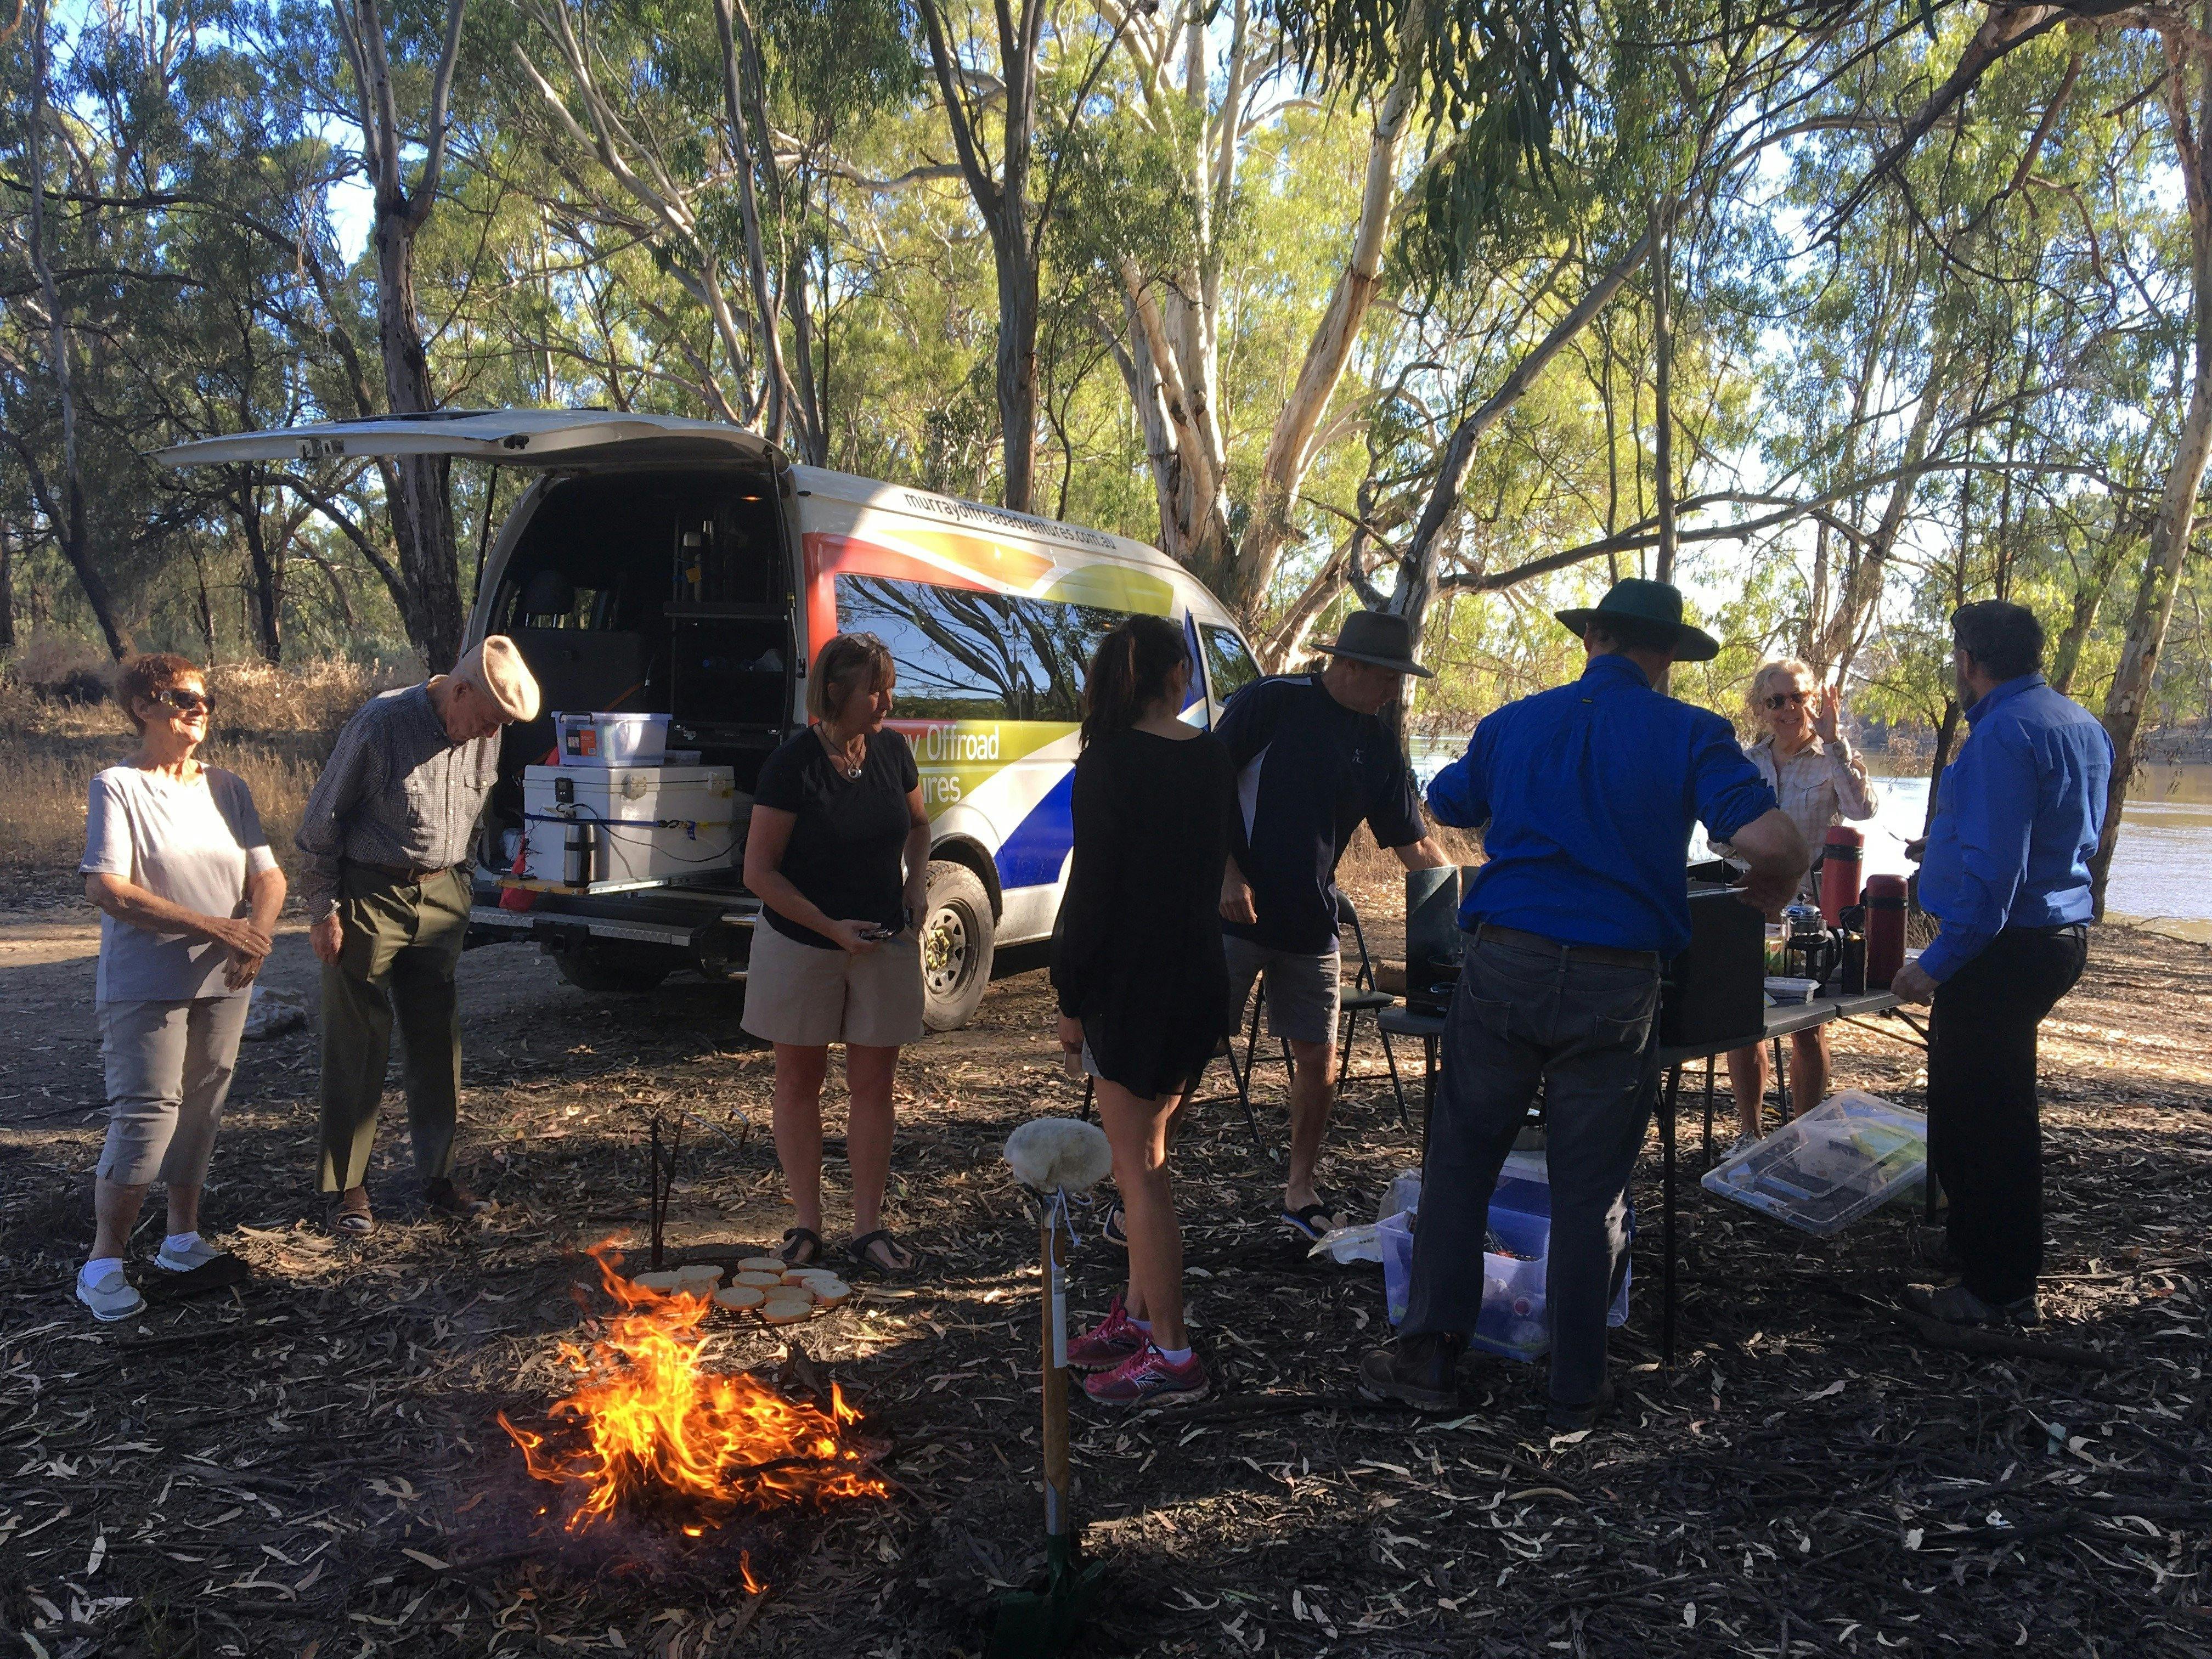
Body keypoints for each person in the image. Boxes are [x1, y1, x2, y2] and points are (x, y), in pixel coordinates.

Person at [1358, 579, 1808, 1428]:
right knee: (1590, 1183)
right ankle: (1576, 1382)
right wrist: (1779, 884)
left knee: (1462, 1164)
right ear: (1666, 656)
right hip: (1618, 979)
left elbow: (1447, 803)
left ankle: (1428, 1359)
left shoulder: (1516, 722)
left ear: (1591, 638)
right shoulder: (1691, 733)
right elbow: (1773, 841)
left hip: (1505, 963)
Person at [1890, 600, 2111, 1329]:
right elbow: (2051, 831)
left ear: (1968, 661)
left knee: (1990, 1121)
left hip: (2002, 948)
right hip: (2054, 935)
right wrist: (1949, 846)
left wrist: (1935, 963)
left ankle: (1998, 1288)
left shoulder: (2001, 734)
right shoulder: (2077, 722)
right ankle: (1968, 1241)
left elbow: (1998, 881)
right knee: (1965, 1103)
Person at [1215, 610, 1448, 1241]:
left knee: (1319, 1057)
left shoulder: (1377, 744)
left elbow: (1414, 845)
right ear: (1347, 665)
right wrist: (1226, 874)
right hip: (1232, 916)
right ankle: (1141, 1190)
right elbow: (1200, 786)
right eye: (1388, 677)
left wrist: (1468, 906)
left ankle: (1300, 1191)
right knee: (1189, 1049)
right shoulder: (1273, 700)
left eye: (1400, 679)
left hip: (1311, 922)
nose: (1394, 691)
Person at [1053, 616, 1235, 1407]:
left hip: (1129, 989)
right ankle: (1135, 1317)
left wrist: (1070, 996)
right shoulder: (1212, 755)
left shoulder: (1108, 763)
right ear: (1175, 677)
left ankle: (1173, 1353)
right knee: (1150, 1155)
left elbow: (1092, 894)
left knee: (1141, 1172)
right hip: (1198, 978)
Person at [301, 636, 540, 1236]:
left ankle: (438, 1177)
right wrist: (323, 909)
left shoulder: (484, 730)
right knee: (358, 1043)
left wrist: (464, 884)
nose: (491, 734)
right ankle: (347, 1189)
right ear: (459, 691)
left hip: (442, 892)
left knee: (438, 1041)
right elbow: (321, 823)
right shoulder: (381, 725)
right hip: (369, 893)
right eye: (487, 719)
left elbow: (475, 812)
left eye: (500, 726)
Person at [76, 654, 286, 1321]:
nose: (199, 709)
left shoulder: (228, 787)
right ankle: (103, 1263)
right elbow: (107, 889)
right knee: (147, 1114)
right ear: (143, 707)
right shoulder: (117, 786)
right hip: (146, 983)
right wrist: (217, 927)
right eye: (182, 698)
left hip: (225, 979)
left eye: (205, 700)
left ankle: (182, 1240)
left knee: (202, 1107)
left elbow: (268, 877)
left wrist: (255, 935)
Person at [742, 633, 931, 1278]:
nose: (888, 701)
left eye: (889, 688)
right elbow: (760, 872)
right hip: (801, 944)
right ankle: (807, 1227)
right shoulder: (791, 764)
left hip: (882, 943)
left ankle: (868, 1229)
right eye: (875, 690)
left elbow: (919, 825)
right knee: (800, 1084)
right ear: (833, 692)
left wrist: (916, 885)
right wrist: (828, 927)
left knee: (874, 1089)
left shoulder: (893, 752)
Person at [1720, 658, 1879, 1145]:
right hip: (1752, 907)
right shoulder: (1745, 764)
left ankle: (1804, 1138)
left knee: (1808, 1029)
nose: (1788, 709)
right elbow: (1720, 834)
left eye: (1798, 698)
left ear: (1814, 701)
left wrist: (1836, 743)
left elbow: (1862, 810)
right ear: (1761, 708)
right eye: (1776, 700)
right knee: (1744, 1023)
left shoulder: (1833, 757)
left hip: (1810, 916)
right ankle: (1750, 1136)